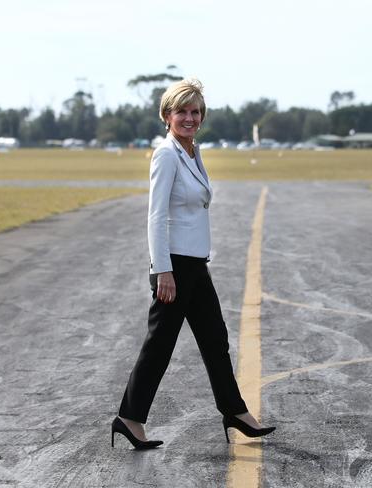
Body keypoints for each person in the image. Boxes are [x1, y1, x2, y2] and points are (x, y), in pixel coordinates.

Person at [111, 78, 275, 449]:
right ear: (167, 116)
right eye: (181, 111)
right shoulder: (166, 154)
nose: (189, 117)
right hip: (176, 268)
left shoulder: (191, 151)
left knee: (215, 339)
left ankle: (234, 411)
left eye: (195, 111)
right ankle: (129, 418)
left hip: (195, 266)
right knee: (159, 346)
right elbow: (156, 216)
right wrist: (161, 269)